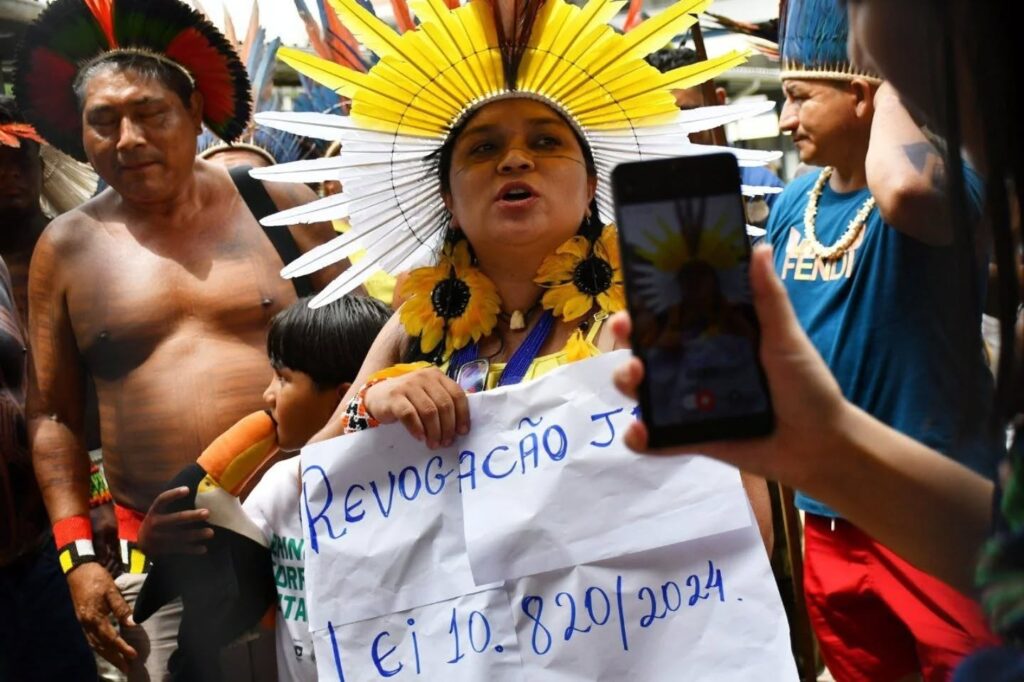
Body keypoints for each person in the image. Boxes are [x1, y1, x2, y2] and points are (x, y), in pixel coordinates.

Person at [252, 0, 776, 551]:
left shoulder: (670, 309)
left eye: (546, 141)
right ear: (448, 200)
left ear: (593, 183)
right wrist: (377, 404)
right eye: (484, 148)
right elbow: (312, 484)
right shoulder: (411, 329)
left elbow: (742, 521)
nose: (516, 160)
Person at [614, 0, 1024, 677]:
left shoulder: (943, 182)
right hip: (827, 519)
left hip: (939, 512)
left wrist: (888, 70)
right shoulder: (792, 205)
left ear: (863, 97)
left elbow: (904, 195)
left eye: (800, 97)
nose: (784, 119)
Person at [14, 0, 344, 678]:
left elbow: (362, 345)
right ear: (79, 135)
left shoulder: (274, 199)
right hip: (160, 560)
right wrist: (78, 558)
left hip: (312, 536)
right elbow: (51, 416)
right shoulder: (67, 247)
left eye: (151, 113)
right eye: (103, 122)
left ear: (194, 112)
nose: (128, 138)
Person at [137, 294, 391, 681]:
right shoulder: (280, 487)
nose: (267, 395)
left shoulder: (405, 487)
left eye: (284, 378)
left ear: (343, 399)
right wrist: (167, 545)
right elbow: (231, 579)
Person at [646, 44, 785, 224]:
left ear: (718, 102)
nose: (676, 130)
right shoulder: (642, 191)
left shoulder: (761, 188)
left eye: (687, 113)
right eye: (663, 118)